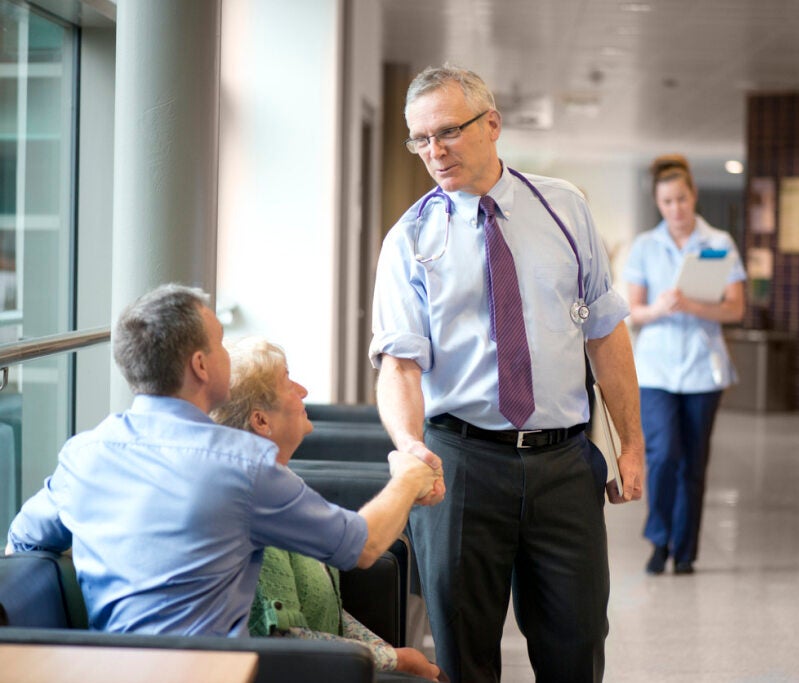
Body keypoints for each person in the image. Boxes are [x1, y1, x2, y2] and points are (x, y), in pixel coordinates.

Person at [370, 63, 644, 683]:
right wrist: (410, 446)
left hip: (563, 464)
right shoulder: (410, 239)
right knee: (465, 654)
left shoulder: (564, 208)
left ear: (491, 124)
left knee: (577, 644)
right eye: (420, 140)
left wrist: (632, 443)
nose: (434, 152)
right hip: (460, 465)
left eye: (447, 132)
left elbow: (604, 332)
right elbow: (400, 363)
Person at [6, 284, 442, 636]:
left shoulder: (85, 454)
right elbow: (362, 547)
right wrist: (406, 477)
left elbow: (23, 544)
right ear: (200, 365)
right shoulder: (243, 465)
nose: (226, 354)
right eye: (218, 343)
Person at [210, 336, 442, 681]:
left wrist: (390, 654)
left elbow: (330, 611)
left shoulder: (283, 481)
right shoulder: (257, 500)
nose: (302, 390)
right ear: (261, 421)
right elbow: (283, 637)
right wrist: (395, 660)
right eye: (287, 381)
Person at [623, 154, 746, 575]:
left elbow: (735, 309)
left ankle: (687, 549)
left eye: (681, 199)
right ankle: (659, 540)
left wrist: (693, 304)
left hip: (702, 370)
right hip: (656, 371)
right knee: (664, 455)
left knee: (694, 462)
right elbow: (633, 311)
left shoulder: (718, 244)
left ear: (693, 196)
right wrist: (659, 308)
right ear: (659, 203)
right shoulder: (644, 246)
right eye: (667, 202)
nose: (675, 209)